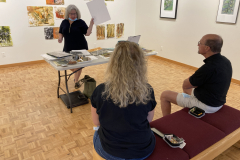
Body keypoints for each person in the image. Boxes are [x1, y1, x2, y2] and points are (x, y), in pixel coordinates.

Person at [91, 41, 156, 160]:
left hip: (110, 151)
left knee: (96, 132)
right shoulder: (147, 90)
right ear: (140, 63)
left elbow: (97, 122)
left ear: (114, 63)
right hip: (142, 150)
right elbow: (149, 119)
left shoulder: (100, 90)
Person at [160, 34, 232, 116]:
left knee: (165, 95)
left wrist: (193, 82)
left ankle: (166, 121)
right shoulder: (226, 61)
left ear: (207, 48)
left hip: (207, 105)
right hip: (218, 102)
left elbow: (186, 84)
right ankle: (188, 112)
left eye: (200, 43)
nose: (198, 45)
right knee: (188, 88)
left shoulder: (208, 68)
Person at [58, 4, 94, 89]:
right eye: (71, 14)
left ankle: (76, 81)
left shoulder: (80, 22)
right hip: (68, 48)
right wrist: (60, 38)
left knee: (78, 65)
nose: (73, 15)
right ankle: (76, 76)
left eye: (75, 13)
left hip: (80, 48)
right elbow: (61, 31)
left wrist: (91, 24)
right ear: (68, 14)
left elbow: (87, 33)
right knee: (69, 64)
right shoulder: (64, 22)